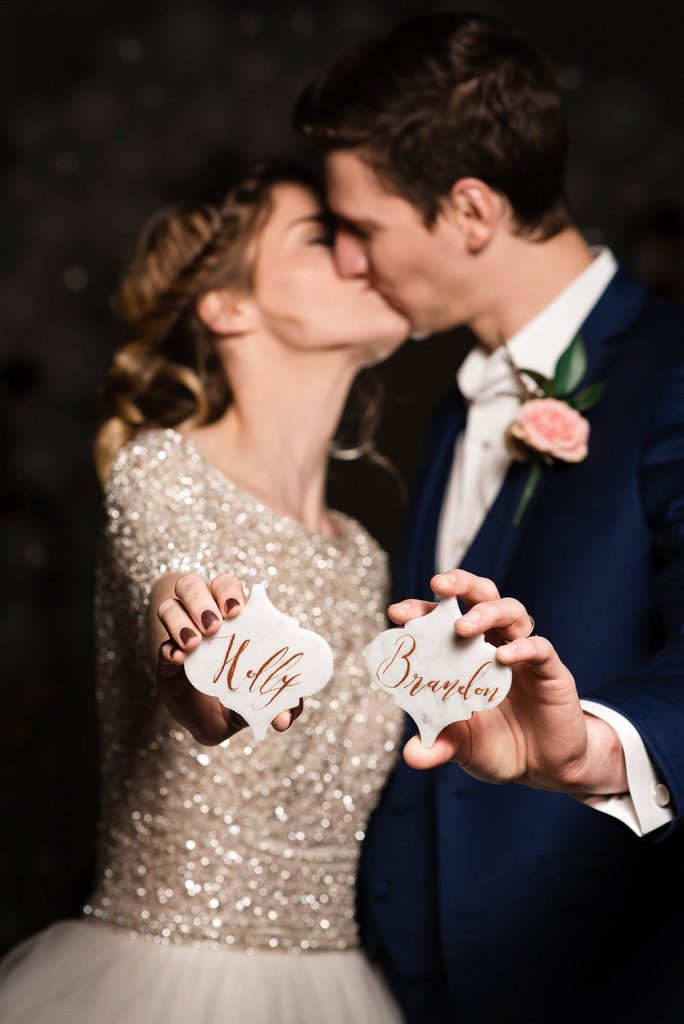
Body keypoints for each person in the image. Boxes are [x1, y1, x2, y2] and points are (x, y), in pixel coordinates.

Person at [293, 12, 684, 1024]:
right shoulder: (458, 401)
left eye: (362, 226)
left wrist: (595, 748)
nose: (345, 260)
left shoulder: (672, 375)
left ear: (471, 209)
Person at [0, 160, 411, 1023]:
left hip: (336, 982)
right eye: (319, 238)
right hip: (165, 984)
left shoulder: (365, 556)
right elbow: (174, 583)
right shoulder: (163, 470)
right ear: (227, 307)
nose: (361, 254)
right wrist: (186, 660)